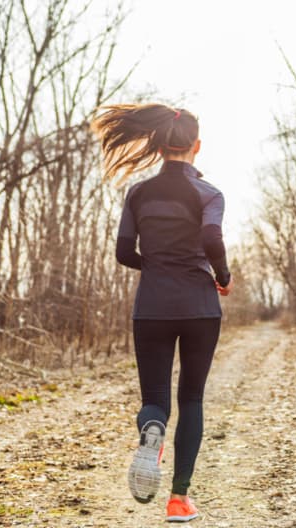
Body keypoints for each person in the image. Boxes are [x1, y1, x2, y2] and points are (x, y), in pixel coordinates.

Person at [90, 103, 233, 523]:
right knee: (191, 398)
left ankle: (151, 434)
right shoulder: (209, 194)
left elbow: (122, 253)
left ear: (158, 144)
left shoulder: (138, 193)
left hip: (151, 307)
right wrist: (221, 274)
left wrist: (154, 265)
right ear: (197, 147)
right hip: (199, 308)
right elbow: (210, 235)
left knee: (155, 399)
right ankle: (178, 500)